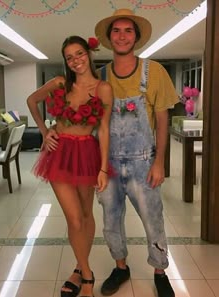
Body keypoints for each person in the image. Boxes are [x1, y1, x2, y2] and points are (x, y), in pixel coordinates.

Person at [94, 9, 178, 297]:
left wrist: (159, 162)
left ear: (136, 37)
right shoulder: (100, 76)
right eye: (116, 30)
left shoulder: (154, 72)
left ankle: (160, 270)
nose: (121, 35)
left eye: (128, 30)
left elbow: (163, 120)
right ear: (109, 37)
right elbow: (89, 119)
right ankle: (121, 267)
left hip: (144, 162)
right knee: (110, 221)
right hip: (109, 164)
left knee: (153, 218)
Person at [27, 35, 113, 297]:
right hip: (60, 152)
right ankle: (87, 277)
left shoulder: (103, 89)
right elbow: (32, 101)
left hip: (88, 152)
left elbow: (105, 129)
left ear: (89, 53)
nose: (75, 61)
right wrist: (44, 131)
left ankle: (78, 267)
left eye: (79, 54)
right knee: (74, 219)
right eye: (69, 57)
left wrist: (104, 168)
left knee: (87, 216)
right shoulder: (60, 84)